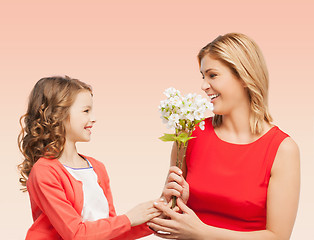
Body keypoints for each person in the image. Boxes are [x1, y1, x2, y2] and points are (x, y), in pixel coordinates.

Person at [148, 33, 300, 239]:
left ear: (244, 77)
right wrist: (170, 203)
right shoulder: (189, 135)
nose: (204, 86)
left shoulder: (282, 149)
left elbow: (278, 237)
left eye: (212, 75)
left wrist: (201, 233)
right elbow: (167, 223)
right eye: (203, 76)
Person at [18, 76, 161, 240]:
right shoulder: (45, 171)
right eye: (86, 111)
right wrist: (129, 218)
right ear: (57, 115)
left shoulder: (97, 168)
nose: (93, 118)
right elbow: (76, 234)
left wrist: (153, 220)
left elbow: (110, 231)